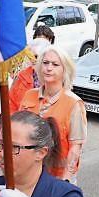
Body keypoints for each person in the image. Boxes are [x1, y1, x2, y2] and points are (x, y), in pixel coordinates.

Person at [19, 46, 87, 183]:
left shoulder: (73, 103)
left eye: (55, 64)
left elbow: (76, 146)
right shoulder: (29, 95)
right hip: (28, 174)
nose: (49, 68)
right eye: (45, 63)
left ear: (65, 70)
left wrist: (65, 180)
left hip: (57, 178)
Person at [9, 25, 55, 113]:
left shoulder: (57, 74)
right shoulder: (22, 74)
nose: (39, 48)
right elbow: (12, 102)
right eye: (37, 42)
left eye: (44, 43)